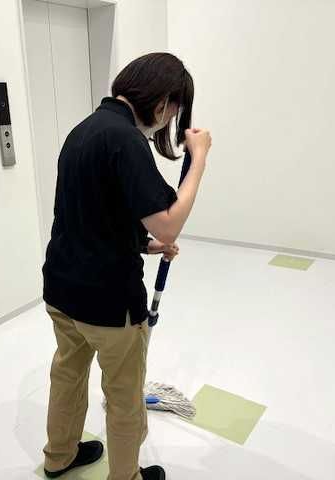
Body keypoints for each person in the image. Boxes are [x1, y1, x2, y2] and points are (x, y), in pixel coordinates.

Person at [41, 52, 212, 480]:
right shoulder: (126, 140)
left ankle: (59, 456)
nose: (168, 120)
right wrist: (199, 159)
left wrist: (144, 244)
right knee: (124, 398)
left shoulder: (83, 130)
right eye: (173, 110)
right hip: (109, 303)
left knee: (67, 375)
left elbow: (95, 210)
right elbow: (169, 222)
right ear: (163, 103)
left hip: (62, 292)